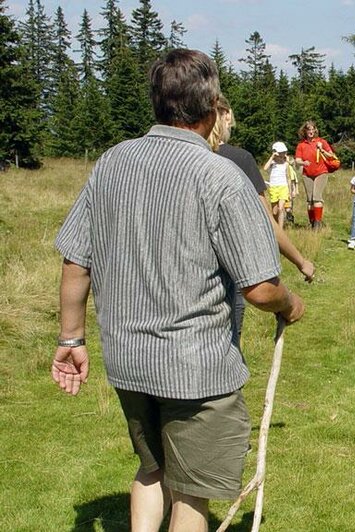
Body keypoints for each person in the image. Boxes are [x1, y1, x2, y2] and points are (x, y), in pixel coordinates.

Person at [51, 49, 306, 531]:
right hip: (197, 372)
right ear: (212, 105)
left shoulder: (112, 163)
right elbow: (260, 288)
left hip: (128, 361)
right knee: (192, 495)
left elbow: (75, 259)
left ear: (157, 103)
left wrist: (71, 339)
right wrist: (291, 304)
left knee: (152, 469)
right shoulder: (221, 177)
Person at [209, 96, 315, 346]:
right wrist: (301, 261)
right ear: (223, 115)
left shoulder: (183, 157)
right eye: (230, 121)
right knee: (227, 346)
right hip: (225, 274)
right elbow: (265, 222)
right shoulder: (239, 159)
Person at [294, 121, 337, 230]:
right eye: (308, 129)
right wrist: (303, 163)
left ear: (315, 130)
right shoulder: (301, 145)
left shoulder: (321, 142)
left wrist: (321, 149)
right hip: (307, 174)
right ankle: (312, 222)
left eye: (313, 129)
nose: (311, 131)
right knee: (310, 200)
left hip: (321, 172)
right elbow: (297, 160)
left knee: (317, 197)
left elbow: (332, 156)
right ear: (305, 131)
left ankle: (317, 224)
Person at [263, 141, 297, 228]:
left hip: (283, 187)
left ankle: (280, 229)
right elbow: (265, 168)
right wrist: (272, 157)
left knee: (281, 208)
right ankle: (275, 226)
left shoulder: (285, 163)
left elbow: (288, 178)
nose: (282, 154)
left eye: (283, 152)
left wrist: (290, 191)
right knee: (274, 211)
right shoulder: (272, 163)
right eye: (280, 152)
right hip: (274, 187)